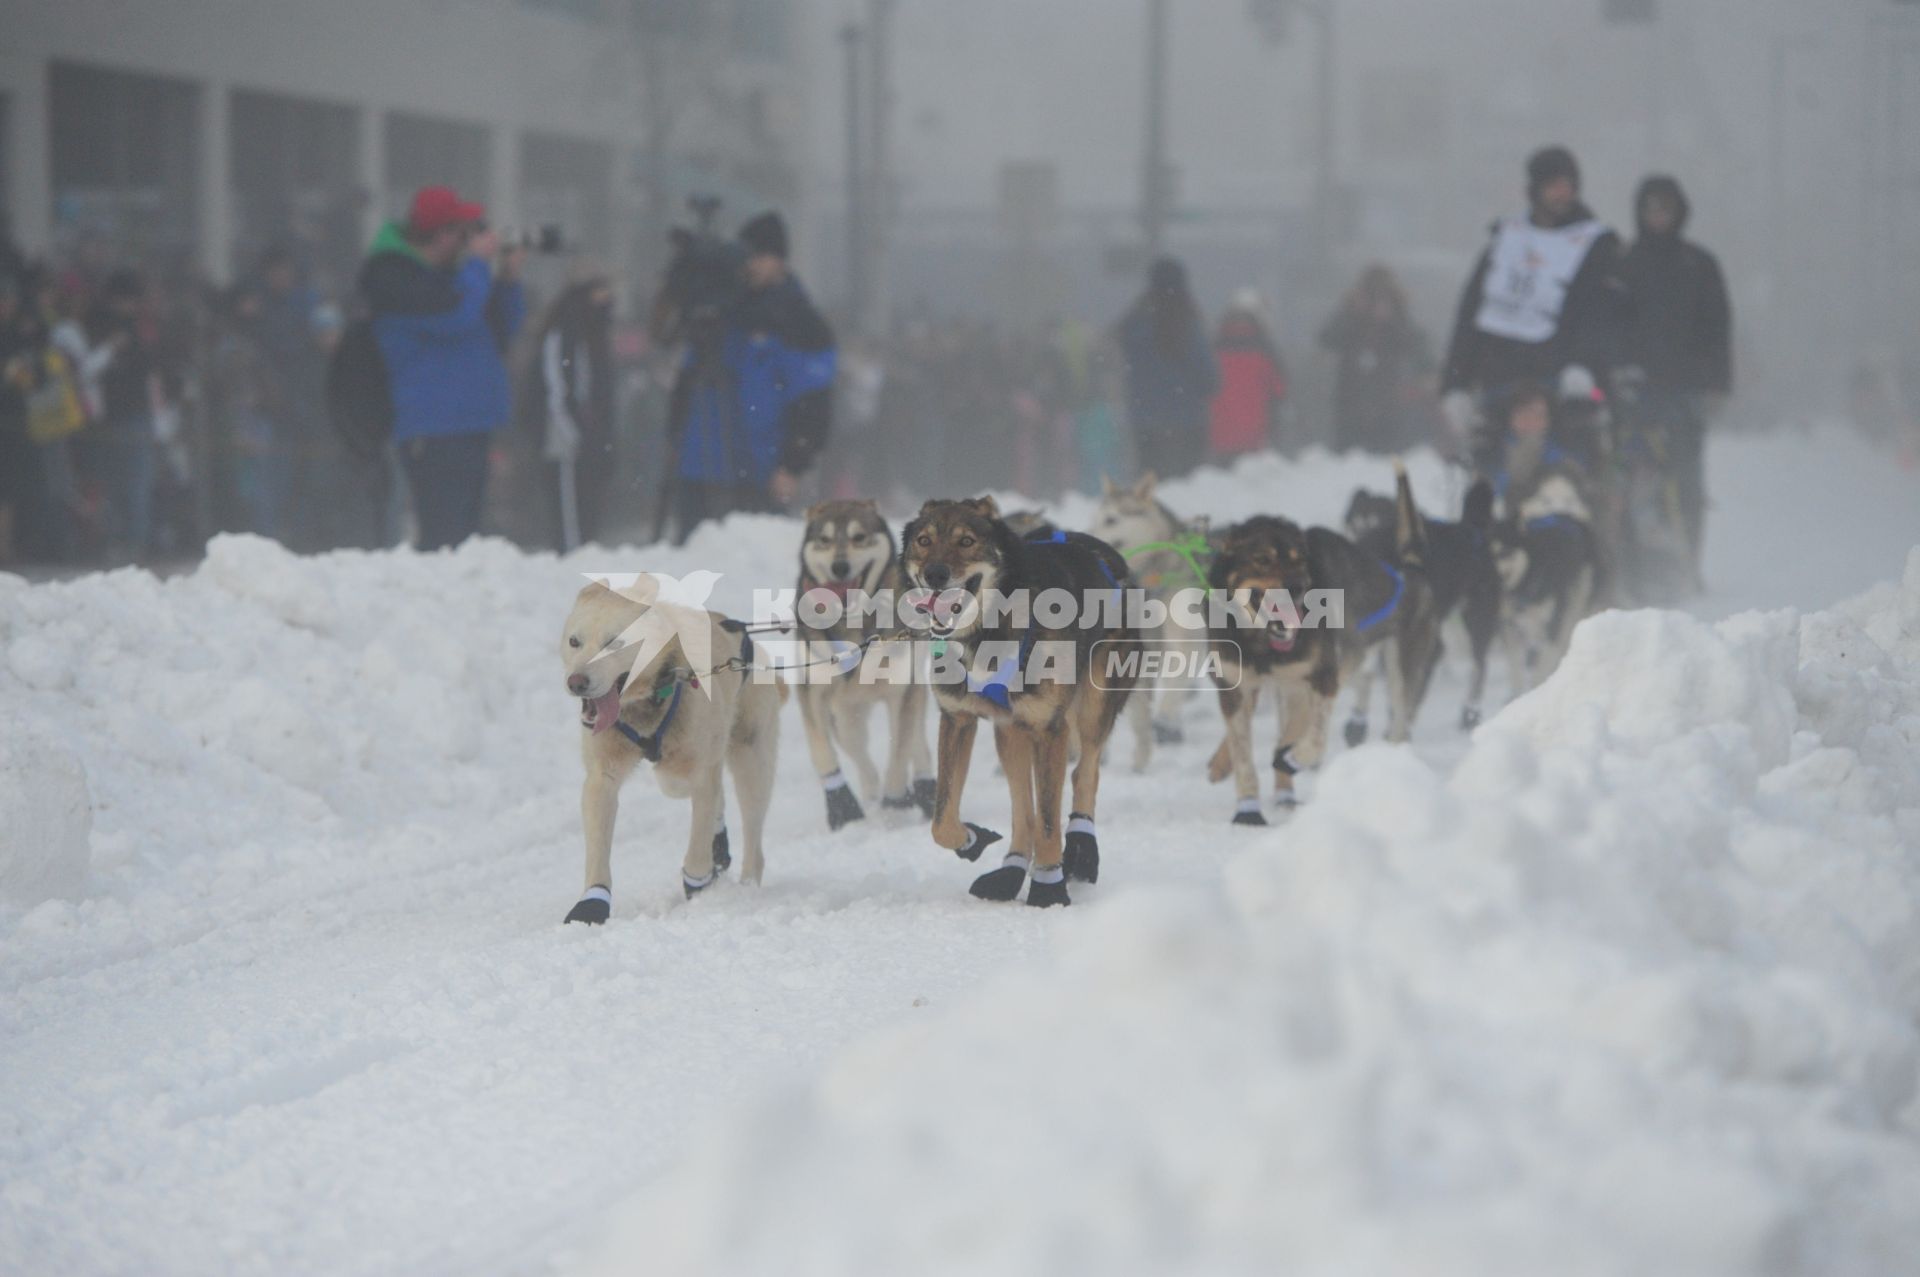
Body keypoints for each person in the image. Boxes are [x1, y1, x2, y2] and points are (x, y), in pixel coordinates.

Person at [358, 185, 525, 551]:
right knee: (443, 539)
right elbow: (457, 318)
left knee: (465, 543)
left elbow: (500, 330)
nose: (470, 241)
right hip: (435, 429)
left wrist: (508, 281)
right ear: (443, 233)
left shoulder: (452, 280)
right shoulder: (397, 280)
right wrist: (479, 265)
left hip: (471, 423)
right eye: (464, 232)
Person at [1440, 146, 1628, 452]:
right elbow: (1473, 311)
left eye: (1569, 186)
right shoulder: (1506, 240)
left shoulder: (1595, 246)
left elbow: (1600, 314)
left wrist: (1584, 366)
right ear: (1535, 189)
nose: (1562, 194)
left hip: (1566, 390)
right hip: (1500, 385)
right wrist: (1456, 383)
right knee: (1492, 481)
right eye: (1554, 185)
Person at [664, 210, 836, 541]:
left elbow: (813, 400)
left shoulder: (799, 322)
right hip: (700, 464)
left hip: (762, 467)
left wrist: (792, 464)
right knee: (692, 567)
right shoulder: (724, 310)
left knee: (753, 564)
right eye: (747, 255)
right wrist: (675, 437)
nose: (751, 264)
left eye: (760, 256)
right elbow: (686, 380)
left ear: (780, 261)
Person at [1620, 174, 1731, 583]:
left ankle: (1687, 564)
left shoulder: (1698, 264)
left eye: (1665, 207)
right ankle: (1637, 568)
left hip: (1685, 392)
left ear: (1679, 211)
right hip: (1635, 392)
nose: (1658, 216)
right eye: (1651, 208)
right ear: (1640, 212)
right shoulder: (1624, 262)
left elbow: (1717, 326)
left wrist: (1717, 384)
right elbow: (1610, 324)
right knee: (1636, 479)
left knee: (1685, 480)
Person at [527, 259, 617, 551]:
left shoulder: (598, 334)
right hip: (564, 440)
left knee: (589, 511)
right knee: (569, 520)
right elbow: (557, 388)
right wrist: (575, 435)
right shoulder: (564, 332)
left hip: (591, 437)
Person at [1114, 256, 1218, 479]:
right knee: (1189, 489)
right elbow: (1209, 378)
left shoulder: (1133, 325)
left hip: (1145, 421)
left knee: (1150, 486)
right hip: (1188, 421)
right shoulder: (1188, 326)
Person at [86, 268, 164, 562]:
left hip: (138, 415)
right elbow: (88, 369)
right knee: (117, 483)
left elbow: (152, 374)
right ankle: (117, 540)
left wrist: (159, 419)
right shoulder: (100, 325)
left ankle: (137, 544)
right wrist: (110, 348)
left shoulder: (143, 328)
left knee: (138, 484)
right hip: (112, 417)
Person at [1319, 264, 1431, 453]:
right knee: (1347, 456)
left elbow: (1414, 344)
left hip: (1386, 396)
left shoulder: (1398, 314)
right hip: (1351, 395)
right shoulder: (1351, 311)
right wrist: (1353, 314)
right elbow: (1327, 339)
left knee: (1385, 454)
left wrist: (1391, 320)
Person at [1208, 288, 1288, 461]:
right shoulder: (1265, 350)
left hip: (1220, 437)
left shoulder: (1214, 347)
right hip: (1255, 438)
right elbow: (1280, 389)